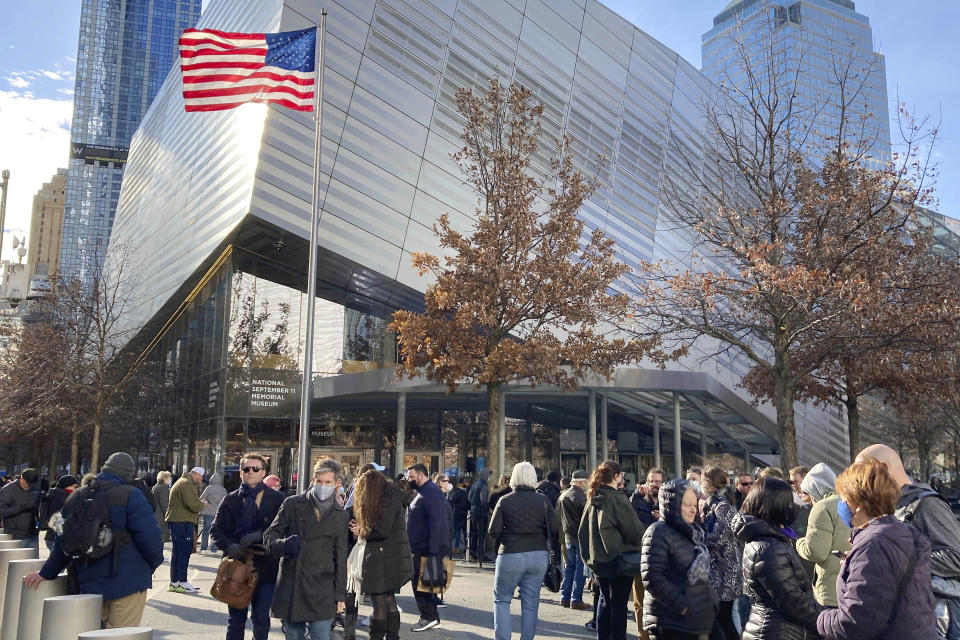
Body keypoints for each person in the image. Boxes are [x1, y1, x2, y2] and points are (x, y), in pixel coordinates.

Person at [24, 452, 163, 628]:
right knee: (122, 634)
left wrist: (46, 572)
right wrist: (148, 568)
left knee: (93, 633)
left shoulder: (77, 495)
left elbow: (62, 537)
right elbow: (151, 538)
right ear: (128, 474)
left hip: (88, 582)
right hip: (127, 583)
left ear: (104, 469)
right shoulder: (131, 495)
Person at [817, 458, 937, 640]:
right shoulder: (900, 533)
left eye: (843, 500)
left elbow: (854, 622)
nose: (840, 506)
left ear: (857, 504)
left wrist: (819, 618)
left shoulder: (874, 543)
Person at [857, 443, 960, 640]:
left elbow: (956, 556)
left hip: (938, 621)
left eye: (863, 472)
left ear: (884, 468)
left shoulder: (927, 504)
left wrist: (898, 561)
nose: (859, 481)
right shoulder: (892, 507)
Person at [265, 458, 347, 640]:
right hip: (294, 581)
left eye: (328, 482)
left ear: (337, 484)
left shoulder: (340, 515)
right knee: (294, 634)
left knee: (321, 635)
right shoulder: (293, 504)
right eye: (319, 481)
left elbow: (341, 557)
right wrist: (284, 544)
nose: (323, 486)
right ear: (312, 480)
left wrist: (340, 594)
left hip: (324, 586)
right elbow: (269, 536)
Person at [734, 477, 819, 640]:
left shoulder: (768, 540)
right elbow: (793, 601)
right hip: (777, 631)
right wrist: (830, 619)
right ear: (776, 506)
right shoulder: (768, 548)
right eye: (789, 501)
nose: (794, 506)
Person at [211, 453, 285, 640]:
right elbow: (216, 530)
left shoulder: (277, 499)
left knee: (261, 619)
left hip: (265, 567)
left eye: (255, 469)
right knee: (235, 621)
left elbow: (285, 529)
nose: (250, 472)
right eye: (246, 469)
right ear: (240, 472)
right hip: (236, 567)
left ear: (264, 473)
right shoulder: (230, 499)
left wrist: (261, 534)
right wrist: (229, 546)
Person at [487, 461, 557, 640]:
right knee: (531, 603)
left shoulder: (505, 500)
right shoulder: (543, 500)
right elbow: (554, 528)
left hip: (510, 553)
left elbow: (493, 531)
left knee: (502, 600)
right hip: (538, 554)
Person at [640, 478, 715, 640]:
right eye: (687, 505)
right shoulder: (657, 532)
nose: (693, 510)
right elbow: (651, 577)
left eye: (694, 505)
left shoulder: (693, 531)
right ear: (672, 505)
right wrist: (684, 605)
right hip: (669, 620)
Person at [581, 460, 645, 640]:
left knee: (605, 601)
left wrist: (588, 557)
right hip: (620, 560)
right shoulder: (617, 498)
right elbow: (634, 530)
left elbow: (582, 531)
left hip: (599, 561)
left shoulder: (592, 498)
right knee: (618, 605)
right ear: (616, 476)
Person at [349, 468, 413, 640]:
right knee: (389, 599)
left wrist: (361, 531)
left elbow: (381, 531)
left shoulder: (387, 502)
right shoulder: (392, 498)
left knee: (379, 602)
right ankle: (392, 637)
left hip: (383, 559)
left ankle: (377, 637)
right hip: (393, 557)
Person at [796, 462, 850, 606]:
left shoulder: (823, 507)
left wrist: (799, 543)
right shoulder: (850, 501)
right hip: (855, 586)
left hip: (831, 592)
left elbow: (816, 552)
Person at [406, 463, 451, 632]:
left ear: (421, 475)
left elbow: (436, 521)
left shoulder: (430, 492)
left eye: (411, 477)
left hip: (428, 548)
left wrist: (432, 551)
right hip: (423, 547)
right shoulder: (424, 491)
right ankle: (430, 617)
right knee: (424, 583)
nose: (409, 480)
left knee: (422, 584)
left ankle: (428, 616)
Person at [701, 467, 742, 640]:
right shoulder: (714, 503)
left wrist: (698, 538)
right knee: (718, 618)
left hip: (726, 572)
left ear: (710, 484)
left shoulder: (723, 506)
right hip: (719, 570)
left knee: (724, 618)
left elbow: (719, 537)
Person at [165, 466, 208, 592]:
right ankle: (182, 582)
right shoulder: (186, 483)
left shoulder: (182, 482)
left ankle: (174, 582)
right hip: (182, 521)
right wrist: (203, 504)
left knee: (178, 552)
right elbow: (193, 505)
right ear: (195, 474)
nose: (200, 480)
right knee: (185, 550)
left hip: (177, 520)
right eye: (200, 477)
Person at [557, 469, 590, 610]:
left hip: (567, 536)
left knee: (569, 567)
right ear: (582, 482)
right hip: (579, 536)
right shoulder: (581, 497)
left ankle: (565, 597)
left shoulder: (564, 496)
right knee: (579, 568)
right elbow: (586, 518)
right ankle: (576, 599)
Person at [0, 467, 41, 548]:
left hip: (32, 534)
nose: (30, 486)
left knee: (33, 560)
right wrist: (21, 507)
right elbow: (1, 511)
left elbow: (38, 508)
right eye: (28, 484)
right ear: (21, 479)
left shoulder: (36, 488)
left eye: (32, 484)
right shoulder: (8, 490)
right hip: (14, 536)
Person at [40, 474, 77, 550]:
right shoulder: (61, 497)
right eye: (74, 486)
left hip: (53, 536)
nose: (75, 489)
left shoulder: (61, 495)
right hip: (56, 538)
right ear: (67, 486)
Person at [199, 472, 227, 553]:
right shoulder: (223, 490)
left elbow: (201, 498)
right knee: (216, 531)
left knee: (206, 530)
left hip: (208, 512)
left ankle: (203, 548)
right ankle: (214, 549)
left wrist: (207, 502)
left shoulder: (209, 488)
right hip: (218, 513)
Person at [469, 468, 492, 561]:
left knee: (474, 534)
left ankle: (472, 554)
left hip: (473, 512)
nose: (489, 477)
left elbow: (469, 497)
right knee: (481, 535)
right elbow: (483, 500)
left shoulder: (475, 484)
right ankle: (481, 556)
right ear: (485, 475)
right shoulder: (483, 485)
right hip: (481, 513)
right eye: (488, 475)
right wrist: (488, 509)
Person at [447, 475, 469, 554]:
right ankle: (467, 548)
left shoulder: (458, 492)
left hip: (457, 513)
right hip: (466, 514)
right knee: (466, 532)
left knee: (457, 531)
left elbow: (452, 503)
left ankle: (456, 547)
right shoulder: (467, 492)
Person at [152, 470, 171, 543]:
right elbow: (165, 504)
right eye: (169, 478)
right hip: (160, 516)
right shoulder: (164, 488)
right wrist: (168, 515)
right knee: (162, 538)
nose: (169, 480)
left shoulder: (156, 486)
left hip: (155, 514)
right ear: (164, 479)